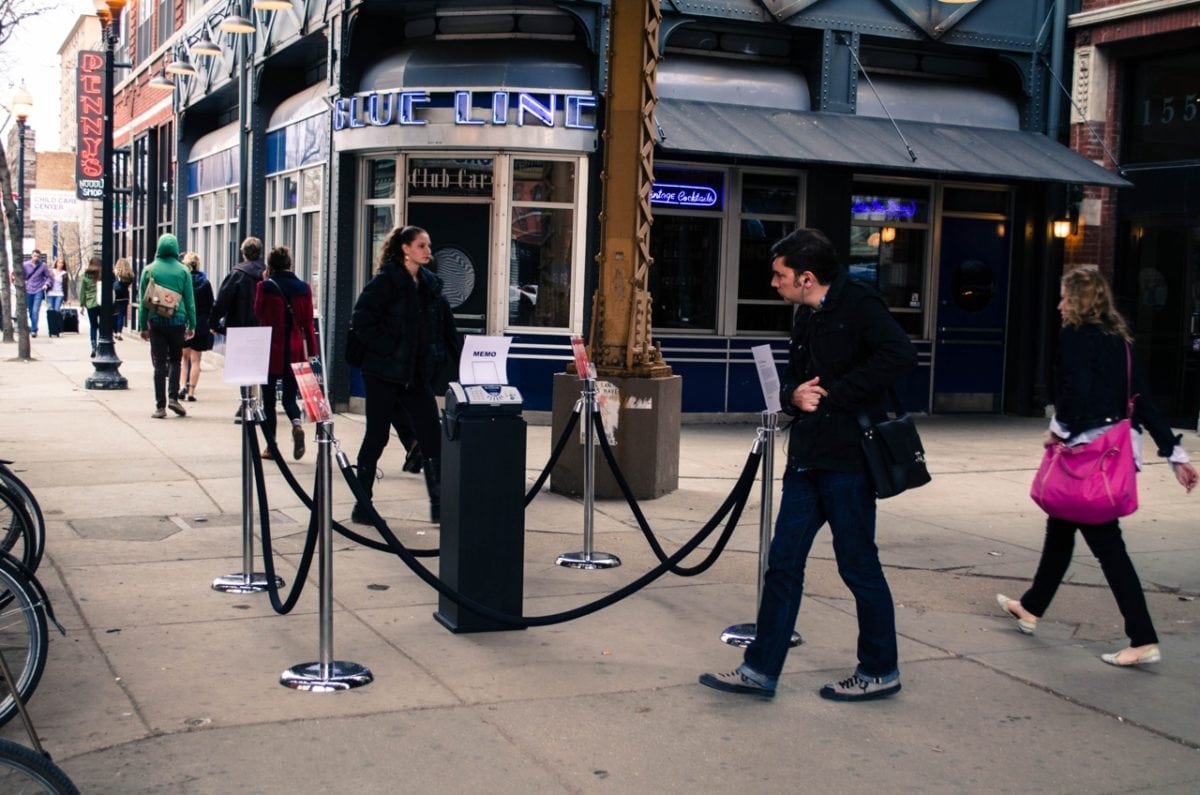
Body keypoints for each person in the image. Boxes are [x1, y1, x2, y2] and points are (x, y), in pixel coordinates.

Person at [699, 228, 916, 702]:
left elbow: (899, 354)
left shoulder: (861, 304)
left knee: (858, 566)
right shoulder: (805, 316)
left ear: (807, 277)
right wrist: (792, 395)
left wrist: (836, 393)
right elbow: (795, 378)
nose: (773, 283)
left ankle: (880, 670)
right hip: (807, 459)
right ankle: (760, 670)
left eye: (780, 275)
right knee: (783, 563)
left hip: (849, 463)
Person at [997, 266, 1197, 667]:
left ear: (1079, 301)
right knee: (1060, 529)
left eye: (1064, 297)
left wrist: (1058, 430)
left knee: (1108, 547)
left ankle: (1143, 638)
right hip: (1113, 449)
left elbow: (1074, 391)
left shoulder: (1074, 337)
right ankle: (1032, 607)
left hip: (1086, 456)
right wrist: (1175, 453)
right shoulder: (1120, 341)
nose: (1058, 304)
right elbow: (1141, 398)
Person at [350, 225, 460, 525]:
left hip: (415, 375)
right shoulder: (385, 281)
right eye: (422, 246)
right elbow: (361, 322)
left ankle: (439, 504)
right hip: (383, 373)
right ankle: (363, 505)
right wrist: (390, 348)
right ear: (405, 249)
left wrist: (456, 358)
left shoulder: (429, 285)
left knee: (431, 436)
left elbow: (445, 327)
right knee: (377, 435)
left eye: (428, 245)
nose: (428, 251)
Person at [253, 246, 317, 461]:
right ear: (289, 263)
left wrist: (264, 281)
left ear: (270, 266)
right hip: (295, 348)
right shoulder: (304, 288)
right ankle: (297, 424)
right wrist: (312, 352)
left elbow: (258, 312)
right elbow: (308, 323)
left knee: (268, 400)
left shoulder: (265, 287)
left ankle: (271, 447)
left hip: (271, 349)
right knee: (290, 398)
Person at [138, 234, 196, 419]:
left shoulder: (149, 270)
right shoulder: (183, 271)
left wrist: (143, 326)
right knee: (175, 360)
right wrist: (192, 324)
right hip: (178, 321)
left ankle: (160, 406)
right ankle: (173, 397)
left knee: (159, 364)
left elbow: (143, 301)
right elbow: (189, 300)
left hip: (156, 321)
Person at [211, 237, 265, 423]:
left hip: (240, 326)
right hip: (262, 327)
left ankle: (247, 403)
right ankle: (256, 403)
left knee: (243, 368)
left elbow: (222, 301)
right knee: (259, 366)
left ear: (243, 253)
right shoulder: (267, 273)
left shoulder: (237, 274)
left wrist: (213, 323)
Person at [179, 252, 215, 401]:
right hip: (201, 324)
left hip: (186, 322)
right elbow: (210, 304)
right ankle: (192, 392)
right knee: (196, 360)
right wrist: (211, 324)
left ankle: (182, 387)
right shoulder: (205, 283)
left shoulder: (183, 281)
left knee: (184, 358)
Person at [22, 250, 52, 338]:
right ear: (32, 255)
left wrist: (46, 284)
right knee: (31, 311)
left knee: (35, 310)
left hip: (39, 289)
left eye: (38, 256)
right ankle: (34, 326)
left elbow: (48, 277)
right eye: (35, 256)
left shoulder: (43, 266)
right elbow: (21, 275)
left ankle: (34, 330)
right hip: (28, 289)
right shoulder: (25, 265)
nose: (36, 258)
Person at [79, 256, 102, 356]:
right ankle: (101, 345)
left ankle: (93, 346)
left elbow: (82, 291)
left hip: (90, 303)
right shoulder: (103, 274)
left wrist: (82, 305)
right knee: (103, 325)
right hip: (101, 303)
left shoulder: (86, 275)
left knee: (93, 325)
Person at [113, 258, 135, 341]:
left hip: (116, 297)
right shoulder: (129, 275)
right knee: (121, 316)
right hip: (125, 297)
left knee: (115, 314)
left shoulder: (116, 274)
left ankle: (114, 332)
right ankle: (119, 332)